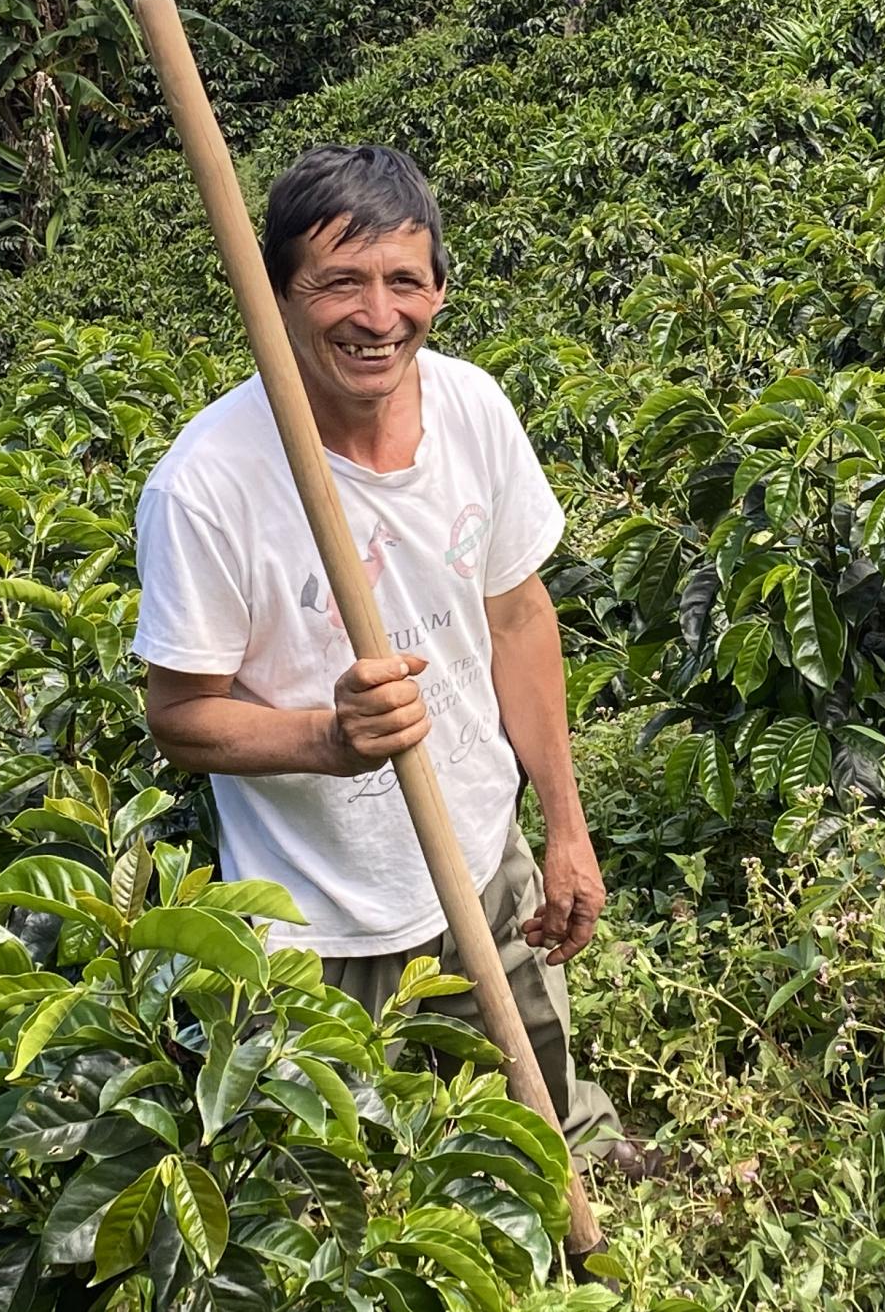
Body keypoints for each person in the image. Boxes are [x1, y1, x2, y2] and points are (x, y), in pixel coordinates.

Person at [132, 142, 638, 1173]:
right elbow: (178, 715)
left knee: (551, 1115)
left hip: (482, 853)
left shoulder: (473, 412)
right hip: (321, 914)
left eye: (403, 280)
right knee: (347, 1180)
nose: (376, 315)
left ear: (440, 290)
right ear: (273, 297)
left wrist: (564, 830)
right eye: (337, 284)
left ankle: (596, 1243)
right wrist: (325, 736)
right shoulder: (207, 483)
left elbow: (516, 620)